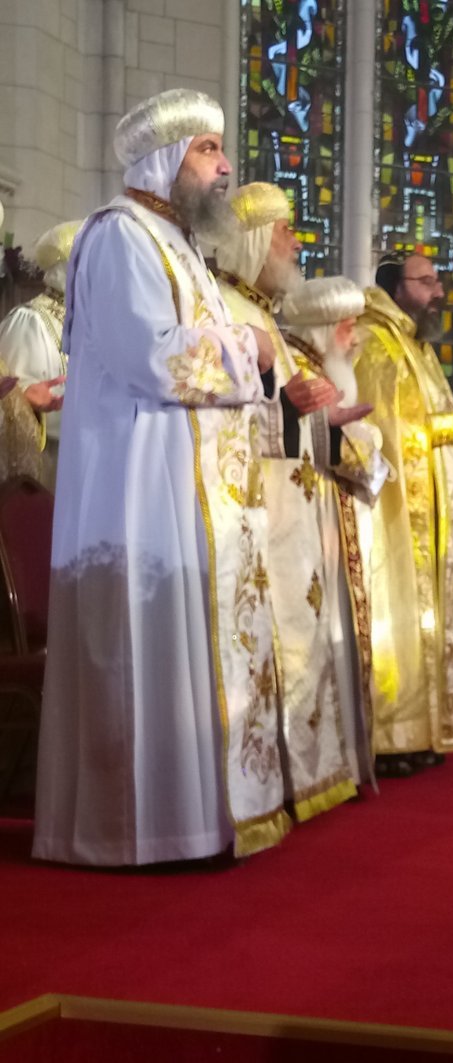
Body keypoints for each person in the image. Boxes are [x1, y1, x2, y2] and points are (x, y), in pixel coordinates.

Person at [33, 89, 291, 867]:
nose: (224, 167)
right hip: (137, 495)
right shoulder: (120, 237)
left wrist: (250, 347)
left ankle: (197, 820)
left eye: (220, 150)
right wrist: (251, 350)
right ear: (164, 159)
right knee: (142, 654)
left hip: (188, 495)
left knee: (187, 654)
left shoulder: (180, 245)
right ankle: (135, 831)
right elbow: (154, 355)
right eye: (208, 151)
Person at [213, 181, 372, 819]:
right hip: (256, 517)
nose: (296, 241)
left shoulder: (266, 319)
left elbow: (285, 417)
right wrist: (288, 404)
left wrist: (324, 422)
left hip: (292, 517)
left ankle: (303, 776)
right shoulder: (226, 309)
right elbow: (227, 421)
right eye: (284, 231)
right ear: (254, 240)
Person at [353, 253, 453, 777]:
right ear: (396, 287)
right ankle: (394, 734)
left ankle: (427, 729)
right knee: (400, 626)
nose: (439, 291)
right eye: (427, 282)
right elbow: (385, 433)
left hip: (432, 511)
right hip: (396, 516)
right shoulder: (375, 343)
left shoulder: (415, 346)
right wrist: (452, 426)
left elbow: (427, 425)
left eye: (439, 281)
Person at [281, 275, 392, 791]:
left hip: (330, 527)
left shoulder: (323, 366)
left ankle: (343, 760)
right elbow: (301, 445)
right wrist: (348, 434)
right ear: (326, 329)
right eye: (347, 327)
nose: (354, 338)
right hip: (301, 536)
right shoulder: (299, 369)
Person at [0, 217, 74, 485]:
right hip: (46, 462)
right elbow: (12, 400)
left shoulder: (91, 323)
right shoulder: (29, 320)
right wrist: (25, 396)